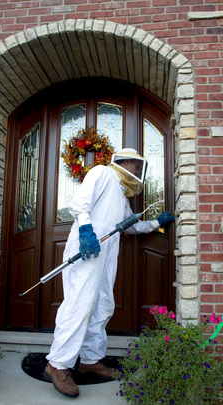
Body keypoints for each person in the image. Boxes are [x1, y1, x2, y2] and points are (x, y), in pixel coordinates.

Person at [44, 148, 175, 398]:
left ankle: (90, 360)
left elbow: (131, 225)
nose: (138, 171)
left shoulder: (122, 196)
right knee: (79, 304)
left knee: (103, 304)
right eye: (136, 166)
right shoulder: (102, 172)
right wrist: (85, 231)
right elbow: (79, 204)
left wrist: (157, 223)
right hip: (87, 247)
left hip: (106, 251)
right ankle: (57, 364)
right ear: (126, 162)